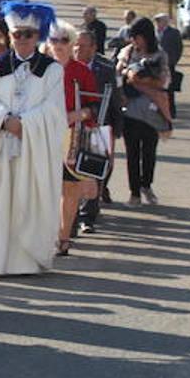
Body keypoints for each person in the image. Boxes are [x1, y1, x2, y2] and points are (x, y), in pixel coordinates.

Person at [0, 0, 67, 277]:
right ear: (8, 37)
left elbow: (54, 110)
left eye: (29, 34)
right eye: (17, 34)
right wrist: (3, 119)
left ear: (38, 36)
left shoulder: (52, 70)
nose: (23, 40)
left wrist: (25, 124)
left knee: (27, 200)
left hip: (30, 147)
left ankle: (25, 260)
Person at [46, 21, 99, 257]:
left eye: (64, 40)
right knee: (43, 187)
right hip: (43, 134)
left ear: (72, 44)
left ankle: (63, 237)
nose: (58, 45)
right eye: (54, 40)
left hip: (72, 137)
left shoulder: (81, 71)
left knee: (69, 189)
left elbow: (95, 106)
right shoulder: (40, 68)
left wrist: (79, 114)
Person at [116, 17, 172, 205]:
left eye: (138, 37)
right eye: (132, 37)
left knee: (149, 152)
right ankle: (134, 193)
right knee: (132, 153)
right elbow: (118, 73)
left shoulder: (159, 55)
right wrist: (128, 73)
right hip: (130, 111)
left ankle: (146, 185)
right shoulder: (128, 52)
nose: (135, 41)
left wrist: (141, 79)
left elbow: (163, 80)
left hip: (151, 111)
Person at [74, 30, 121, 231]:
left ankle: (88, 216)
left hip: (98, 127)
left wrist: (117, 128)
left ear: (93, 48)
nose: (77, 49)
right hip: (72, 127)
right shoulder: (63, 67)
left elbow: (115, 99)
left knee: (95, 169)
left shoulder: (105, 69)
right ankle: (71, 215)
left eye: (83, 45)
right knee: (71, 172)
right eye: (76, 44)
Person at [154, 13, 184, 118]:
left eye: (159, 21)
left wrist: (173, 60)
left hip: (168, 64)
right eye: (157, 21)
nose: (158, 23)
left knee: (169, 88)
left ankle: (171, 111)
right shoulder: (155, 33)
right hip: (156, 65)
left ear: (165, 21)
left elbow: (179, 48)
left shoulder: (174, 33)